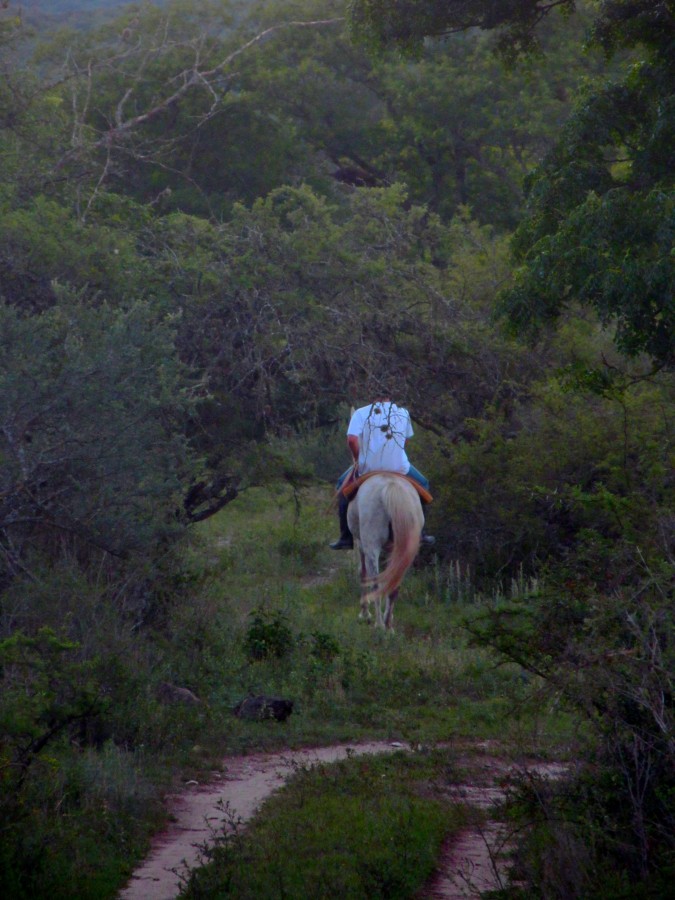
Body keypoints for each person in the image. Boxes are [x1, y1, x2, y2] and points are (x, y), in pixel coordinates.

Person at [329, 396, 435, 549]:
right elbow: (405, 440)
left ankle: (345, 537)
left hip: (368, 468)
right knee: (423, 483)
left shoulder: (361, 413)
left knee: (341, 484)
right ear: (390, 394)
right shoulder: (402, 413)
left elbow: (352, 440)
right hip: (399, 467)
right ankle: (421, 532)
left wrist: (359, 457)